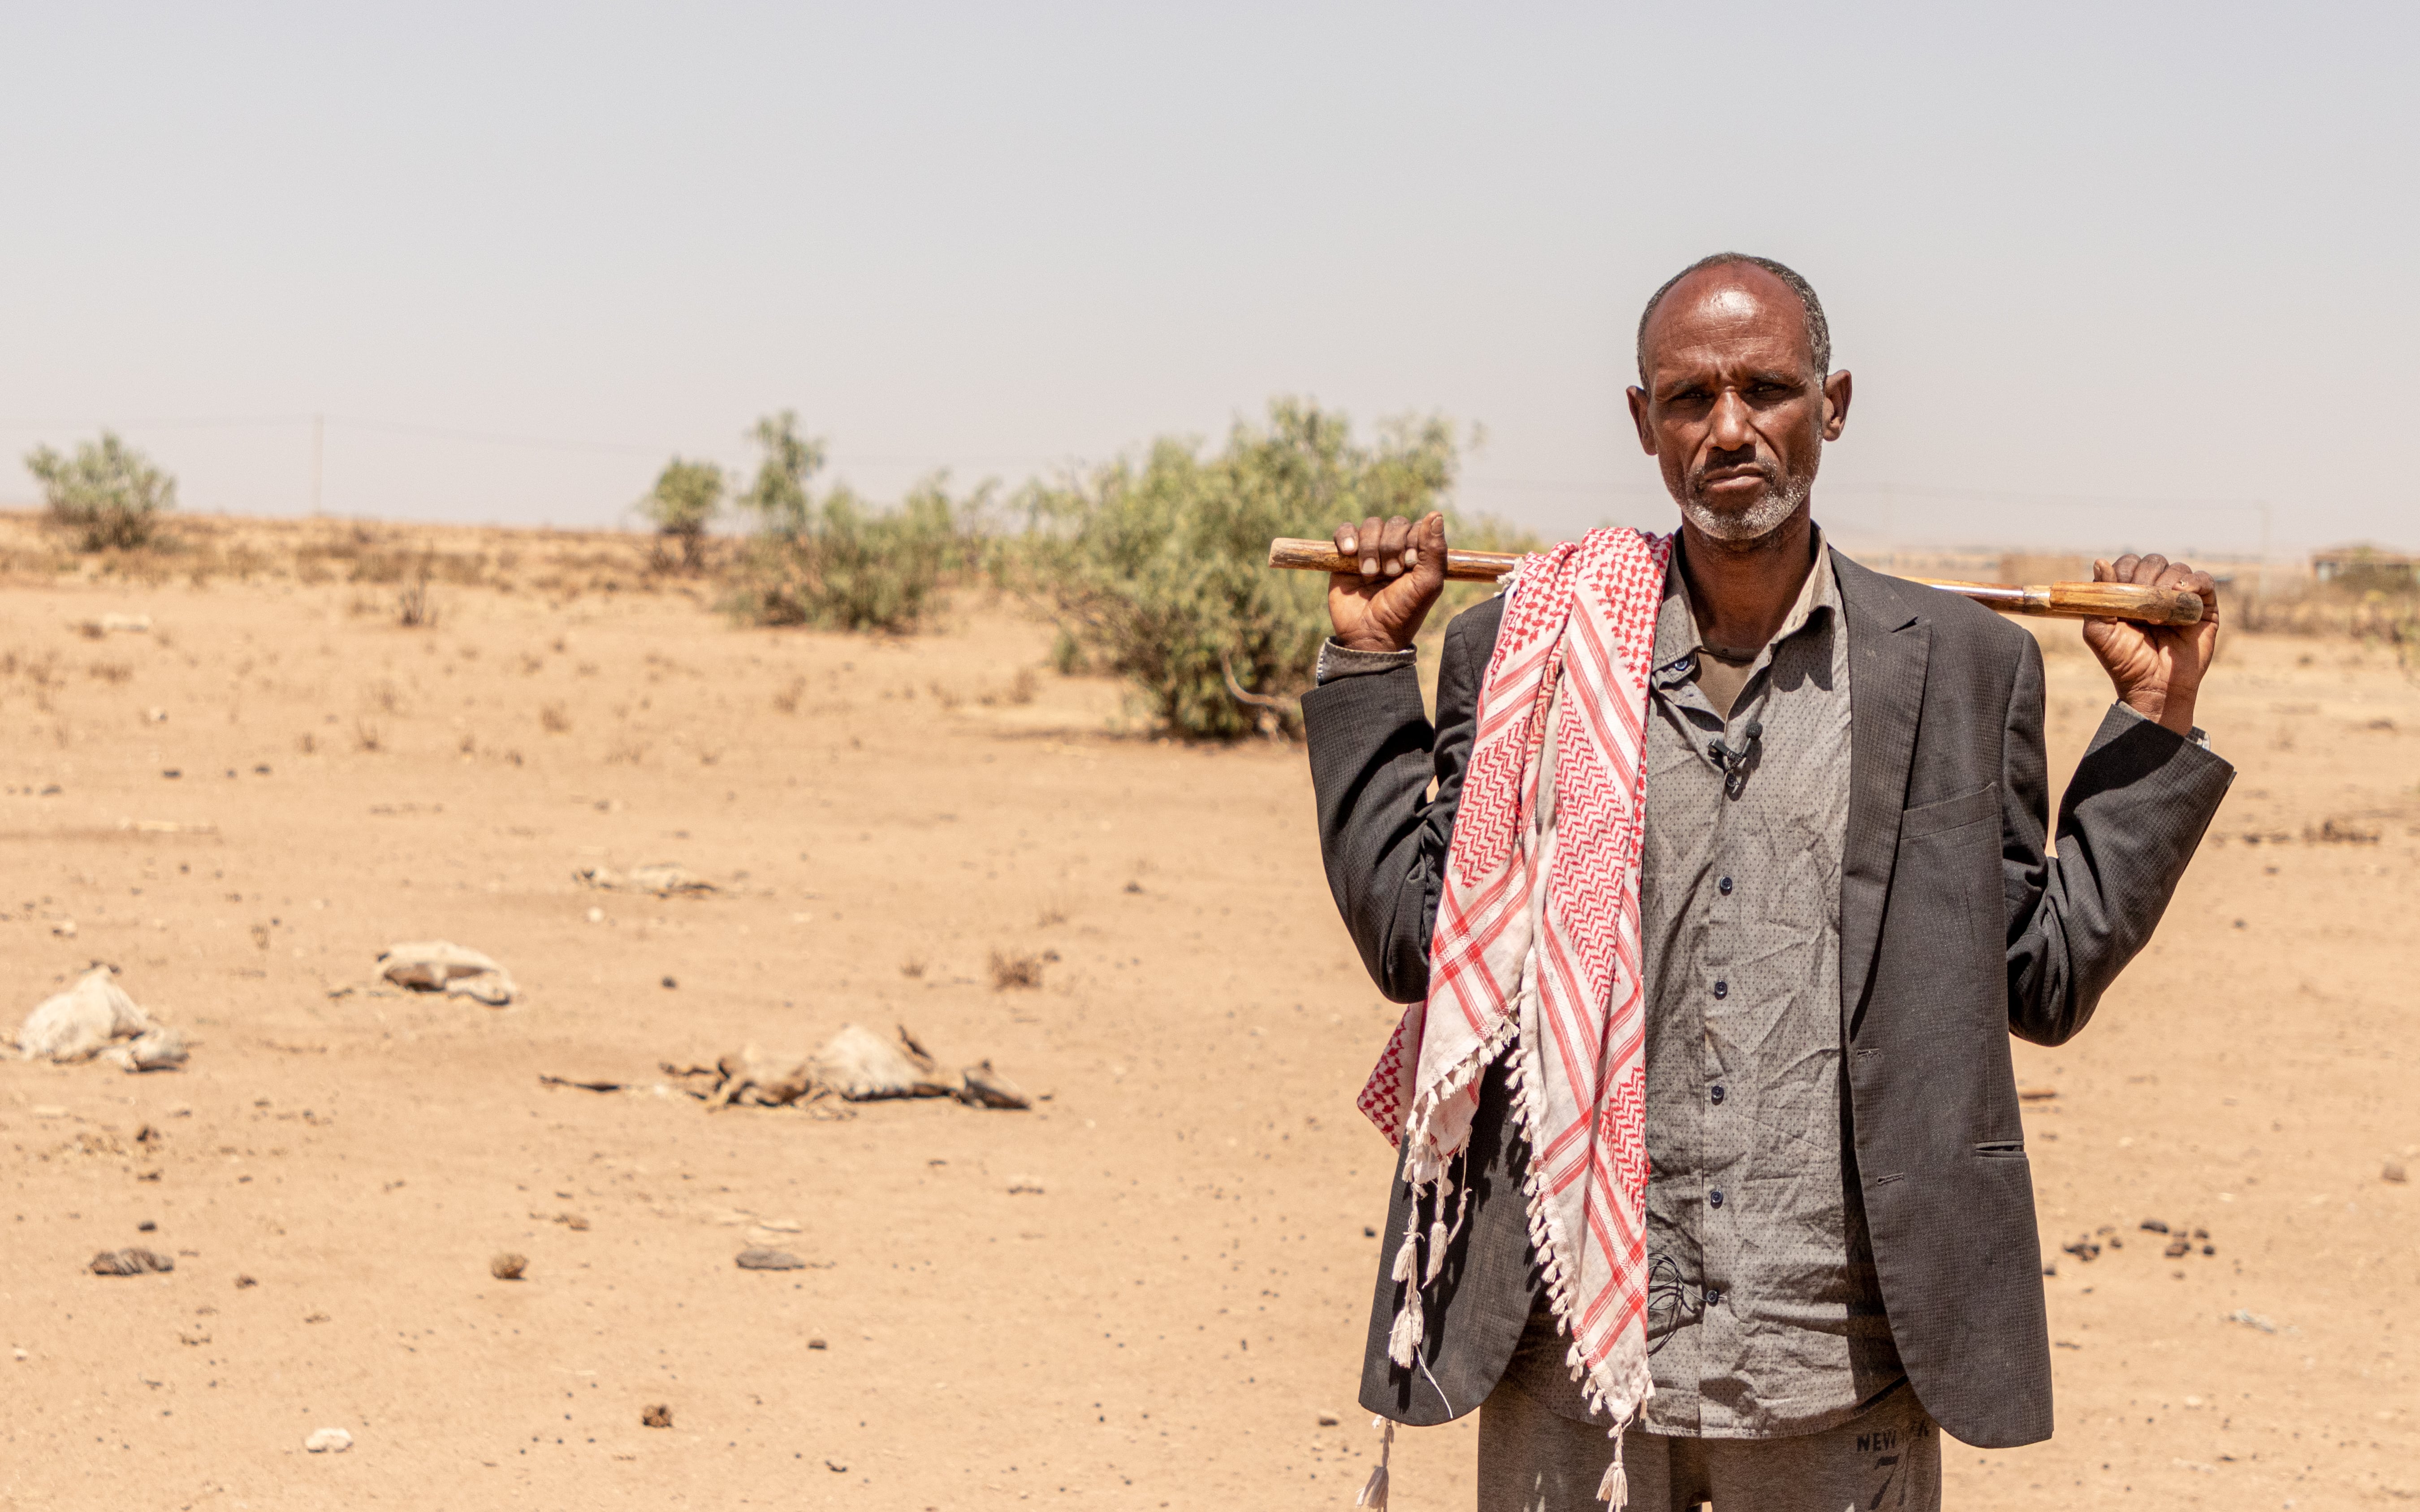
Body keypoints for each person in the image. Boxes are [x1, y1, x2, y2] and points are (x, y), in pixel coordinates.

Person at [1301, 253, 2232, 1512]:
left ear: (1831, 404)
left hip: (1834, 1370)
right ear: (1644, 424)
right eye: (1689, 399)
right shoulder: (1529, 648)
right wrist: (1368, 671)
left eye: (1768, 390)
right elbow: (1422, 945)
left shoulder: (1961, 670)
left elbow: (2042, 976)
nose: (1729, 429)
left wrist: (2156, 727)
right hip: (1567, 1361)